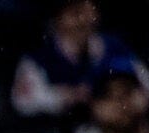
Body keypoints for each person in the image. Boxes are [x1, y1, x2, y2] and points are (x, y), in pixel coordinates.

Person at [13, 0, 149, 117]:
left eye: (89, 11)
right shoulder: (39, 57)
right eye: (75, 13)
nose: (83, 20)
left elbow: (145, 83)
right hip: (64, 127)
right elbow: (23, 102)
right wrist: (65, 96)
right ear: (58, 18)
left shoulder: (115, 47)